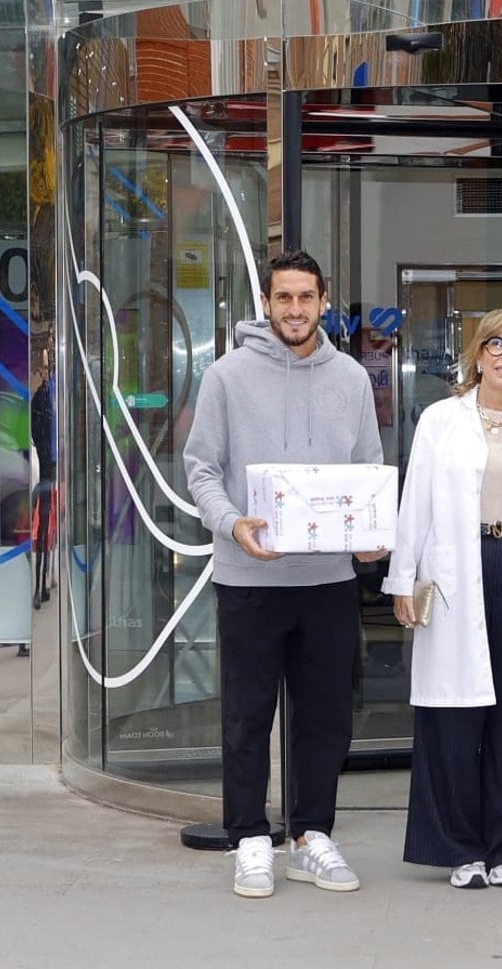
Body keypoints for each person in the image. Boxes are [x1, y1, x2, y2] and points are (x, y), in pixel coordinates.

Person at [182, 250, 387, 901]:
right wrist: (231, 524)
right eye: (283, 298)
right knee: (247, 718)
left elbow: (368, 469)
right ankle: (249, 839)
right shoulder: (226, 376)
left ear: (324, 302)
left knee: (325, 719)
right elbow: (200, 467)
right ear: (266, 304)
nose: (295, 309)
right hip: (249, 579)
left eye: (306, 297)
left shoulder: (351, 379)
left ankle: (311, 837)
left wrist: (370, 534)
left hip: (328, 582)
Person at [383, 309, 502, 891]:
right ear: (478, 353)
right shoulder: (441, 420)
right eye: (497, 344)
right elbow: (415, 501)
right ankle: (460, 848)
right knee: (455, 714)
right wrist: (401, 578)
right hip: (457, 571)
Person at [29, 335, 57, 610]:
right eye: (44, 367)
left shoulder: (62, 393)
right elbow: (36, 433)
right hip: (49, 464)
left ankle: (49, 579)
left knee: (55, 520)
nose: (45, 372)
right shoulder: (41, 397)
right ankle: (40, 585)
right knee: (45, 519)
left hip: (61, 464)